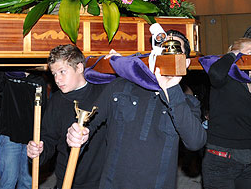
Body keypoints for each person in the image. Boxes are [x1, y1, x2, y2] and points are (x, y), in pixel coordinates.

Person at [66, 35, 207, 189]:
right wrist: (78, 134)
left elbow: (195, 142)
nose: (167, 55)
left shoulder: (186, 102)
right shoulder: (120, 87)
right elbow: (88, 123)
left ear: (185, 63)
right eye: (163, 49)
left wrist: (171, 90)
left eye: (174, 50)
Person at [26, 44, 107, 189]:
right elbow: (49, 138)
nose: (57, 79)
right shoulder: (57, 100)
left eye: (62, 72)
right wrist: (39, 150)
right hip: (66, 179)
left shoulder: (103, 93)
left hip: (100, 179)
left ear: (80, 68)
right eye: (54, 74)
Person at [202, 38, 251, 189]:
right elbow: (215, 74)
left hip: (250, 163)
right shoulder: (225, 81)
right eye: (250, 53)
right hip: (221, 161)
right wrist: (231, 55)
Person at [0, 71, 46, 189]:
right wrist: (6, 66)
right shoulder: (8, 77)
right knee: (8, 181)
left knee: (27, 182)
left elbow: (44, 109)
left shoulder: (38, 80)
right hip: (9, 136)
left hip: (32, 138)